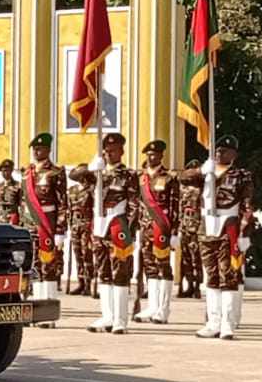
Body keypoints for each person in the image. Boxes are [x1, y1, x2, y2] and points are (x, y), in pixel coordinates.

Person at [180, 136, 254, 340]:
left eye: (225, 150)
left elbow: (247, 205)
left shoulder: (241, 175)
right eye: (218, 150)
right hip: (206, 226)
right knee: (210, 275)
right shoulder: (205, 173)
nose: (220, 153)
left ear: (234, 154)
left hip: (228, 225)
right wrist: (201, 171)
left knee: (228, 275)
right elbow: (182, 178)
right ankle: (213, 322)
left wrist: (244, 234)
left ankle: (227, 323)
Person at [71, 133, 138, 334]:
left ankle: (120, 319)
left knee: (120, 272)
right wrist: (92, 166)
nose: (109, 154)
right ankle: (107, 316)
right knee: (103, 272)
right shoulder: (95, 173)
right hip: (99, 225)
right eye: (107, 151)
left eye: (113, 151)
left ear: (122, 151)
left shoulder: (128, 175)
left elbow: (134, 204)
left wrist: (131, 231)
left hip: (118, 224)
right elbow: (73, 175)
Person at [22, 133, 67, 327]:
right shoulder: (27, 173)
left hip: (47, 223)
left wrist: (59, 230)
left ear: (48, 150)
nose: (36, 152)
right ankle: (36, 311)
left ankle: (48, 314)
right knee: (34, 267)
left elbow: (63, 203)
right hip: (30, 224)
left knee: (48, 267)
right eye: (34, 149)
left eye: (40, 149)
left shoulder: (56, 172)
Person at [134, 140, 180, 324]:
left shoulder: (169, 177)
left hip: (162, 227)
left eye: (155, 154)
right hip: (145, 228)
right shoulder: (141, 178)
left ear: (161, 156)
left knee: (163, 267)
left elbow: (175, 205)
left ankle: (163, 309)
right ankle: (152, 307)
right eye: (149, 154)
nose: (151, 157)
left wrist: (175, 231)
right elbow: (136, 204)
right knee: (150, 267)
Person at [67, 165, 96, 297]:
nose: (82, 179)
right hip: (75, 224)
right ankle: (81, 282)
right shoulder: (72, 190)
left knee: (87, 254)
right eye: (80, 176)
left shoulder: (92, 190)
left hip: (87, 224)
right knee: (78, 254)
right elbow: (68, 208)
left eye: (84, 176)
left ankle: (89, 283)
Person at [178, 158, 204, 299]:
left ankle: (196, 287)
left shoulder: (202, 188)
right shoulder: (183, 188)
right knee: (185, 258)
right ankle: (187, 286)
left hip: (196, 227)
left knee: (196, 258)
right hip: (185, 226)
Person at [0, 159, 22, 224]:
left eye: (7, 170)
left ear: (11, 171)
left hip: (12, 216)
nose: (5, 173)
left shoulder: (17, 185)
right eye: (3, 171)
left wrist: (21, 219)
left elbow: (21, 204)